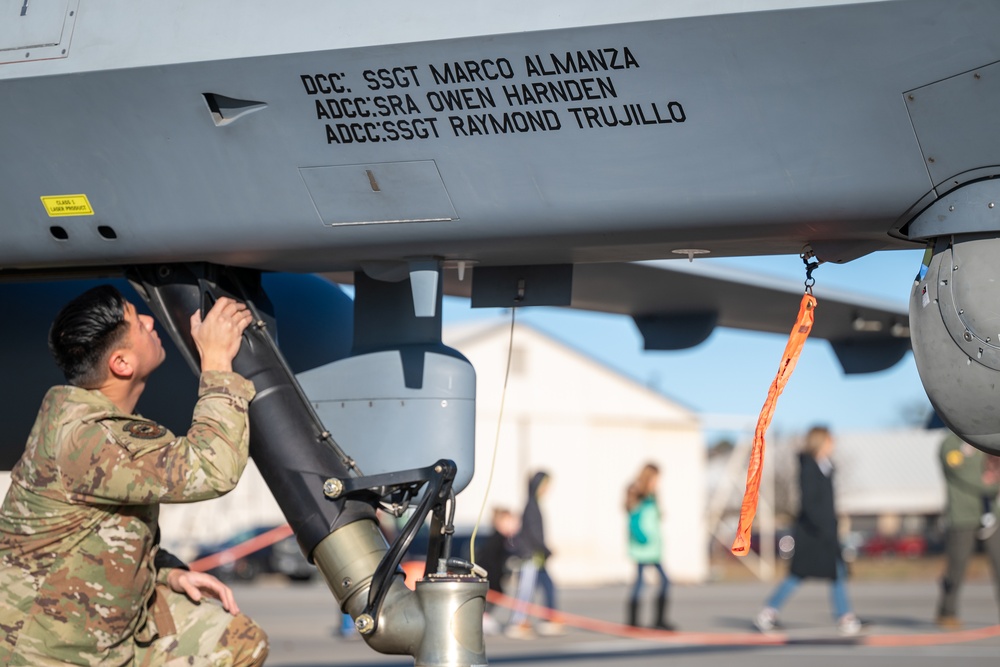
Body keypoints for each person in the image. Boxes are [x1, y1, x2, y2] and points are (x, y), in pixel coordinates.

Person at [0, 285, 269, 665]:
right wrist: (216, 362)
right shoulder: (87, 440)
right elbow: (212, 469)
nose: (149, 320)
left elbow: (103, 534)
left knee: (237, 641)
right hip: (49, 652)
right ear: (121, 364)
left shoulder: (96, 425)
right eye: (137, 322)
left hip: (108, 630)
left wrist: (164, 574)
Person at [753, 426, 863, 636]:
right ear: (820, 442)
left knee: (837, 572)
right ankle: (767, 613)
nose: (833, 445)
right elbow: (810, 504)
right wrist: (824, 527)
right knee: (798, 574)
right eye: (830, 441)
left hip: (826, 532)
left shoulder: (827, 466)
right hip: (813, 533)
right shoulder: (809, 467)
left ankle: (846, 617)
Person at [935, 431, 1000, 629]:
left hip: (992, 516)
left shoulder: (986, 438)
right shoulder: (950, 444)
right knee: (956, 567)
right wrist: (989, 482)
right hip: (962, 515)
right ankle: (947, 611)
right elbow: (961, 471)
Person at [505, 471, 563, 639]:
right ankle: (518, 622)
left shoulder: (535, 505)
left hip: (537, 557)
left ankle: (549, 619)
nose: (547, 489)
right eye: (545, 485)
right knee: (526, 589)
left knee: (549, 586)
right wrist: (547, 549)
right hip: (530, 556)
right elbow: (534, 534)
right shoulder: (531, 506)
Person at [625, 463, 674, 630]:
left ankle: (659, 620)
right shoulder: (637, 494)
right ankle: (633, 622)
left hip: (654, 549)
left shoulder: (653, 496)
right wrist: (642, 538)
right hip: (642, 548)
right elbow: (633, 520)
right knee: (640, 583)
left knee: (665, 582)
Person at [477, 507, 519, 635]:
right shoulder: (496, 539)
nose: (514, 524)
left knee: (497, 595)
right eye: (509, 521)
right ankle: (482, 618)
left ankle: (484, 616)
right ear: (500, 522)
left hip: (495, 577)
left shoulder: (504, 539)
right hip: (490, 577)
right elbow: (489, 561)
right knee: (493, 596)